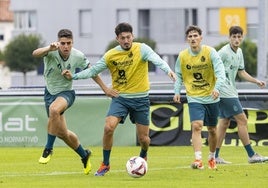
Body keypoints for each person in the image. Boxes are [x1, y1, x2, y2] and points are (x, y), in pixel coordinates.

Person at [62, 22, 176, 176]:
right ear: (118, 39)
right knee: (108, 128)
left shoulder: (142, 49)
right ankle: (105, 164)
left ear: (132, 36)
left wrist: (169, 71)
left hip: (141, 99)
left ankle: (143, 155)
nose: (126, 40)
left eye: (128, 37)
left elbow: (158, 60)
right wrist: (74, 76)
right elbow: (93, 70)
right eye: (123, 38)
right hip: (120, 98)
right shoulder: (111, 55)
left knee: (144, 139)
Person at [32, 29, 117, 175]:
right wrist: (48, 48)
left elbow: (92, 72)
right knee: (62, 133)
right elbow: (35, 53)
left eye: (68, 43)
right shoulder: (51, 51)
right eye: (63, 43)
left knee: (54, 110)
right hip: (49, 94)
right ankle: (84, 155)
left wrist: (105, 88)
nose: (65, 46)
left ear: (72, 43)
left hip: (66, 94)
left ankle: (48, 149)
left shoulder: (78, 55)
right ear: (59, 42)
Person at [173, 25, 226, 170]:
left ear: (201, 38)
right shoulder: (183, 56)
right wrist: (177, 91)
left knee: (212, 130)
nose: (193, 38)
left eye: (195, 36)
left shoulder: (210, 52)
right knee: (196, 126)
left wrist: (217, 88)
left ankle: (211, 157)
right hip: (194, 97)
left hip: (212, 96)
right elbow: (178, 75)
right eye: (190, 36)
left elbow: (221, 72)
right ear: (187, 39)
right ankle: (198, 160)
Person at [215, 25, 268, 164]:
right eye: (234, 37)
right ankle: (251, 155)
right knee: (242, 120)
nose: (237, 39)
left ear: (242, 38)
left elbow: (241, 72)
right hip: (224, 92)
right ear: (229, 38)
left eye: (239, 37)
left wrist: (256, 81)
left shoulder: (239, 53)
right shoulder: (223, 52)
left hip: (230, 91)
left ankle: (215, 156)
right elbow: (211, 66)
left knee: (224, 123)